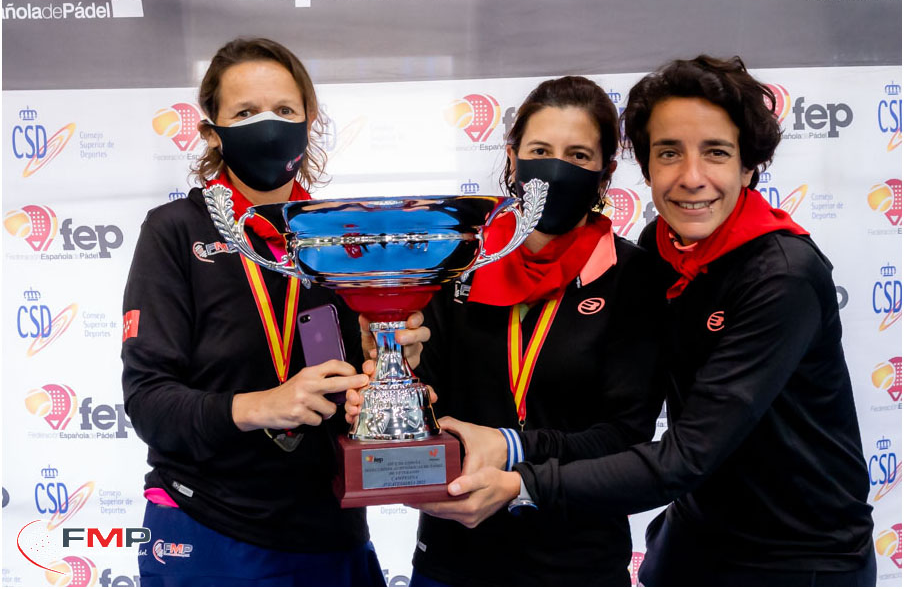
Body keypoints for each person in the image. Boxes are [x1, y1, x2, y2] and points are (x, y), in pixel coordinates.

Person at [413, 56, 876, 587]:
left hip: (797, 555)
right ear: (648, 166)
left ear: (749, 166)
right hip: (691, 537)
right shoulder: (661, 248)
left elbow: (681, 454)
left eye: (716, 152)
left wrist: (521, 475)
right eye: (669, 152)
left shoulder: (782, 276)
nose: (692, 178)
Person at [122, 37, 425, 586]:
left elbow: (356, 388)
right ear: (211, 132)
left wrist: (380, 361)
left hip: (330, 530)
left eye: (285, 110)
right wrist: (261, 406)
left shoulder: (340, 236)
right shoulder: (175, 232)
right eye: (245, 112)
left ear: (309, 123)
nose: (268, 126)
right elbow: (149, 402)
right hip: (209, 527)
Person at [347, 76, 666, 586]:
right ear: (513, 158)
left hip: (577, 561)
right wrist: (392, 401)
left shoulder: (634, 277)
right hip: (455, 554)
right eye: (540, 151)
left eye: (578, 156)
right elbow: (429, 399)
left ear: (605, 173)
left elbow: (625, 436)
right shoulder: (457, 264)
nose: (556, 168)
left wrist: (511, 447)